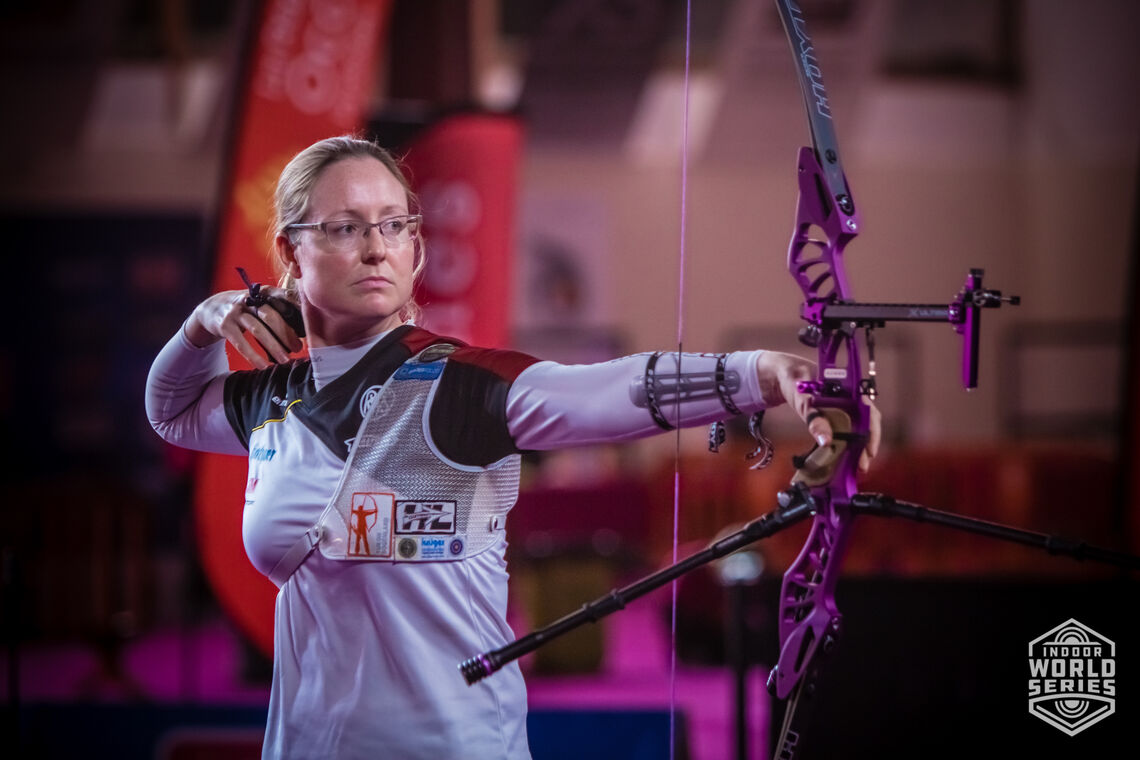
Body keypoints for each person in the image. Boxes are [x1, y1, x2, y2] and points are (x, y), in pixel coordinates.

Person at [146, 135, 880, 759]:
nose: (375, 247)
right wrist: (204, 324)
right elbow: (171, 411)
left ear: (416, 247)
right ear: (289, 250)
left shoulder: (461, 385)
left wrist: (760, 375)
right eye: (343, 227)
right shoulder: (272, 401)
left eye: (395, 224)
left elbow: (602, 391)